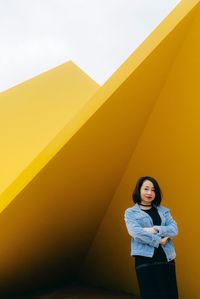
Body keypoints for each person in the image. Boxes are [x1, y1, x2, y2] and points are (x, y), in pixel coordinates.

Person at [124, 176, 178, 299]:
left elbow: (174, 230)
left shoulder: (164, 211)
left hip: (166, 258)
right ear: (139, 190)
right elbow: (136, 233)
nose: (150, 193)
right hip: (145, 259)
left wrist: (155, 229)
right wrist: (159, 240)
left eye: (153, 190)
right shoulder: (130, 212)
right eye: (146, 189)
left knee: (169, 295)